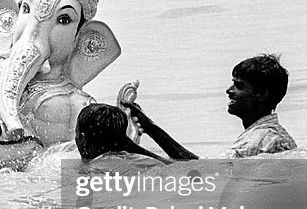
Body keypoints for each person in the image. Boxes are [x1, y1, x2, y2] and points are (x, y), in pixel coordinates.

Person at [125, 54, 296, 160]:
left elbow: (205, 171)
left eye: (239, 86)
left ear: (261, 94)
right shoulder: (271, 134)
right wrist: (149, 128)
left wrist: (136, 143)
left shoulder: (260, 139)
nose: (229, 91)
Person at [74, 103, 169, 169]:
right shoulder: (150, 163)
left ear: (83, 140)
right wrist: (151, 128)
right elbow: (182, 166)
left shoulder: (89, 172)